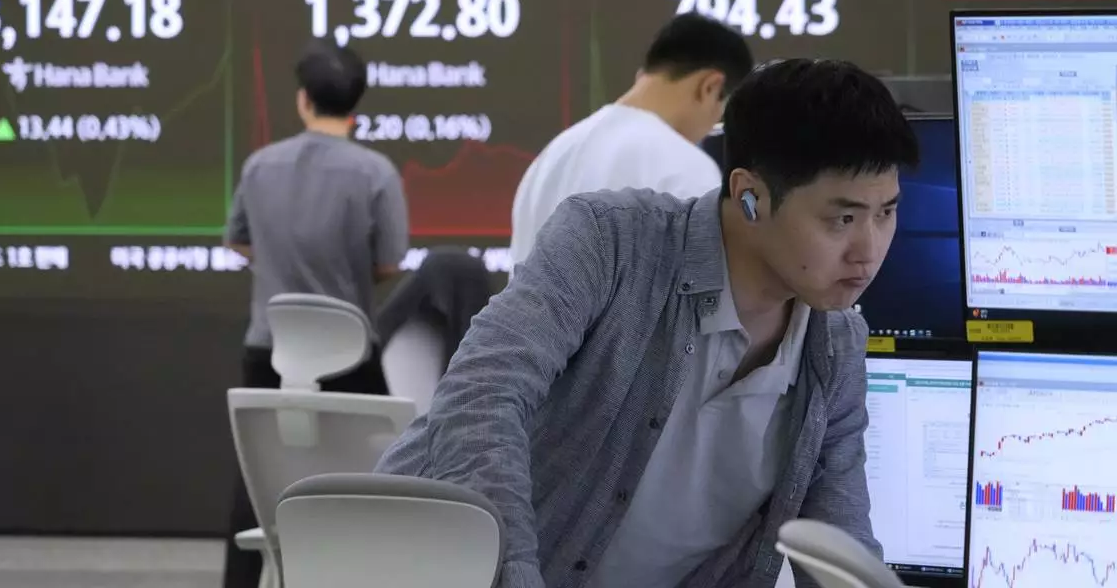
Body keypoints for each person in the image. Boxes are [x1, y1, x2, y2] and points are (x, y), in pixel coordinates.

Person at [377, 58, 920, 588]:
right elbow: (480, 395)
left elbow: (839, 543)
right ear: (750, 197)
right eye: (842, 219)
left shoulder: (835, 346)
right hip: (428, 565)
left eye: (886, 213)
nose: (868, 250)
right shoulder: (610, 243)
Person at [222, 38, 409, 588]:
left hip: (270, 351)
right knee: (374, 483)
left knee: (257, 479)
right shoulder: (376, 173)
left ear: (303, 99)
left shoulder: (260, 165)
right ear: (356, 103)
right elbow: (388, 262)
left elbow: (239, 240)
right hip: (350, 356)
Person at [509, 12, 754, 266]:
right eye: (719, 116)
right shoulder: (684, 167)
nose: (709, 129)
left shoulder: (550, 158)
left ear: (643, 75)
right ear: (710, 87)